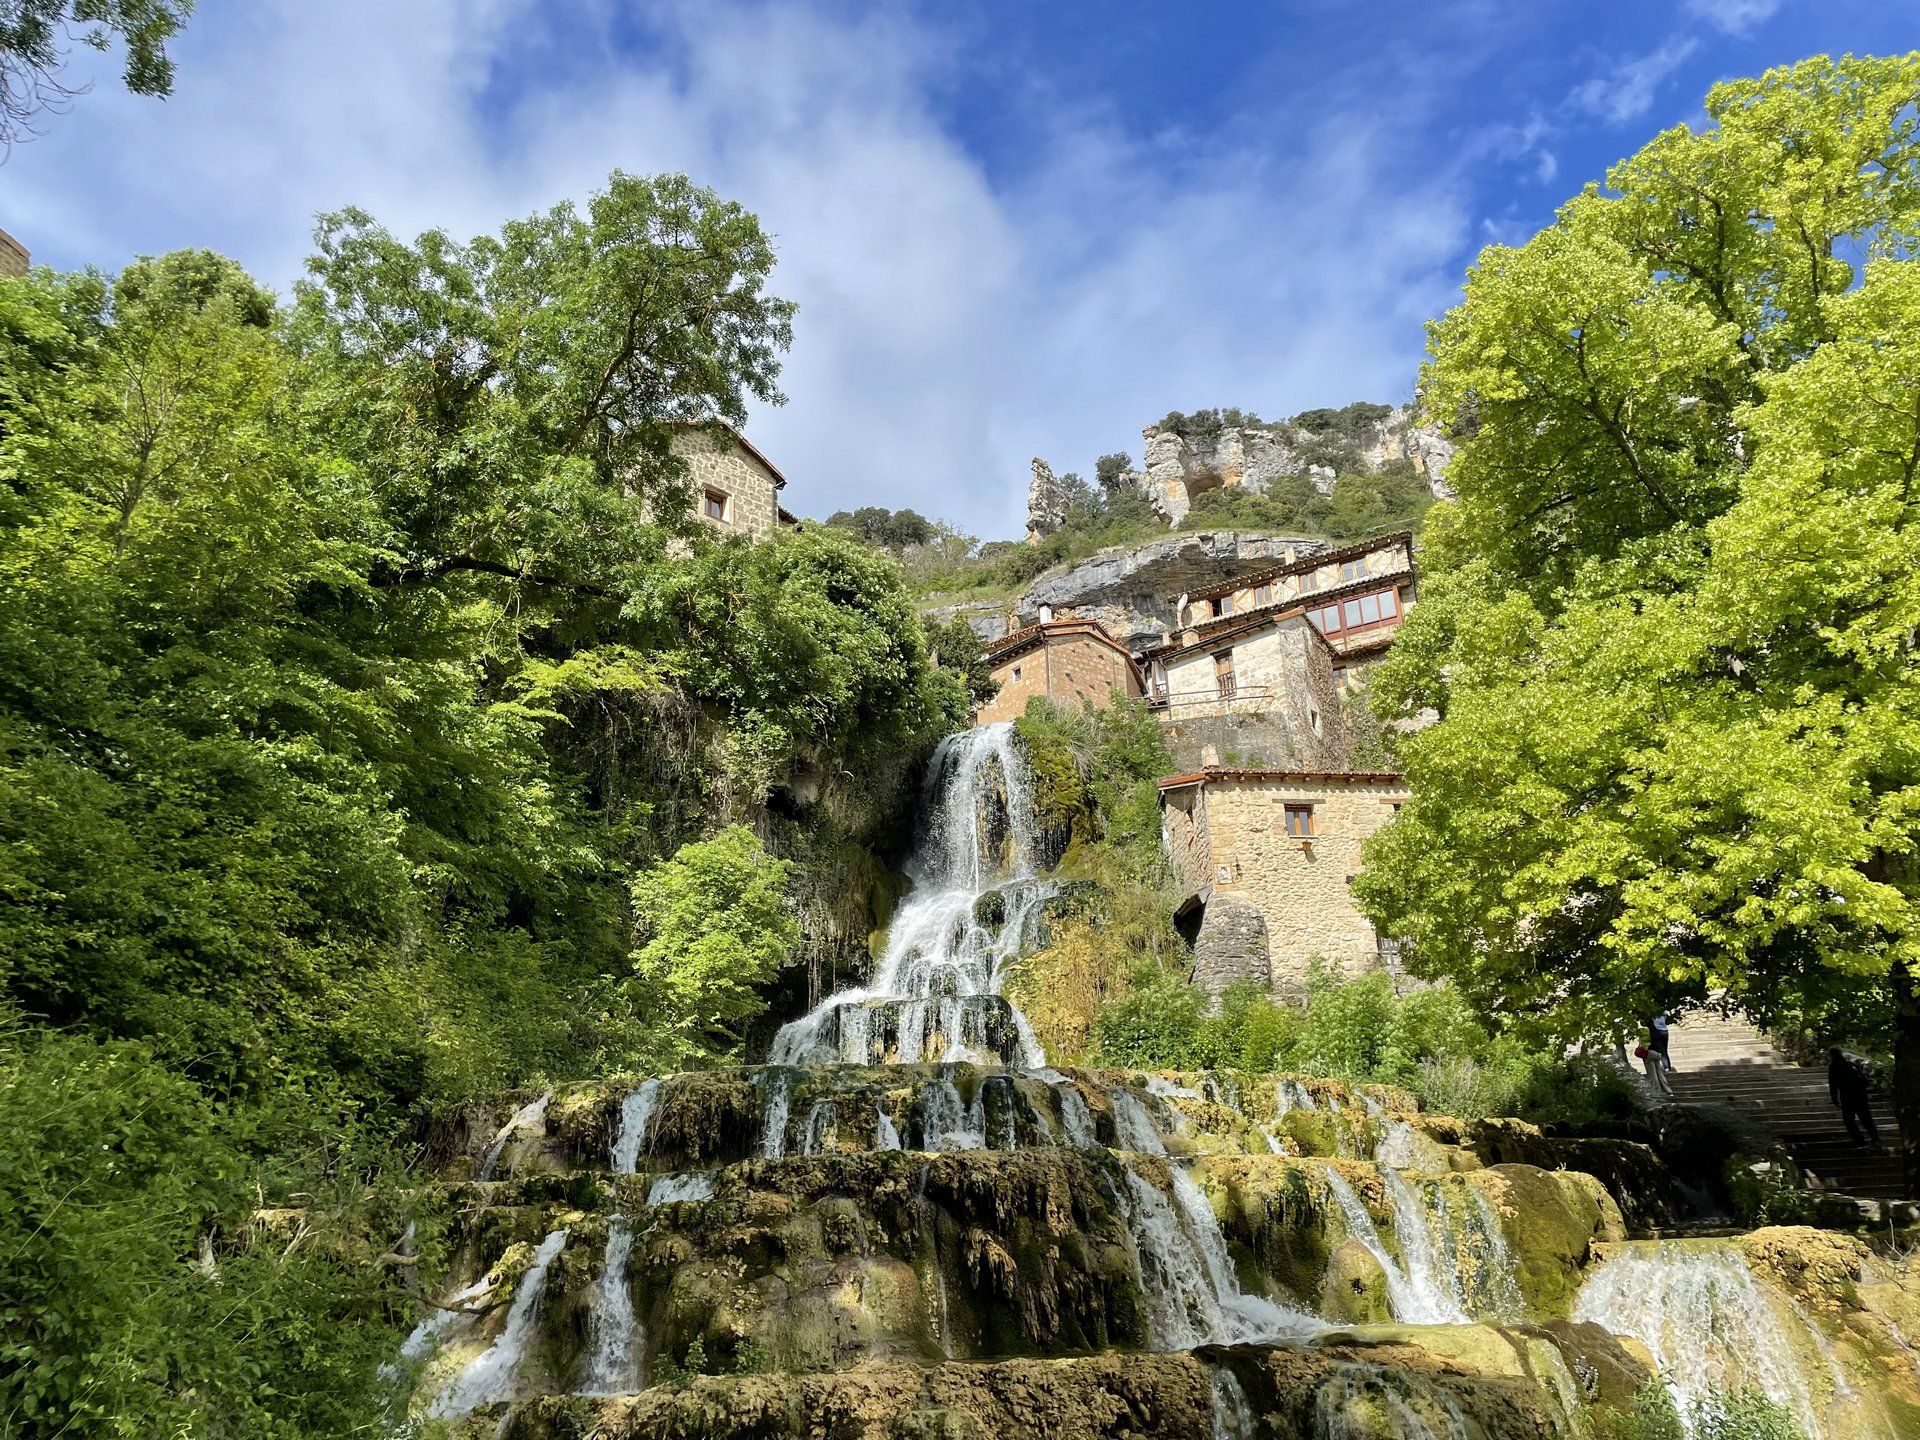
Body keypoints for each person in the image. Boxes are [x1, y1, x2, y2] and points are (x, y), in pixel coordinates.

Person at [1828, 1048, 1882, 1149]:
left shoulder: (1834, 1066)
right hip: (1861, 1094)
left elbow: (1833, 1084)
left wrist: (1834, 1099)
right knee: (1866, 1118)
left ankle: (1861, 1142)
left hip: (1847, 1095)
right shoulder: (1851, 1064)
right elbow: (1864, 1080)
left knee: (1849, 1120)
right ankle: (1876, 1139)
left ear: (1831, 1056)